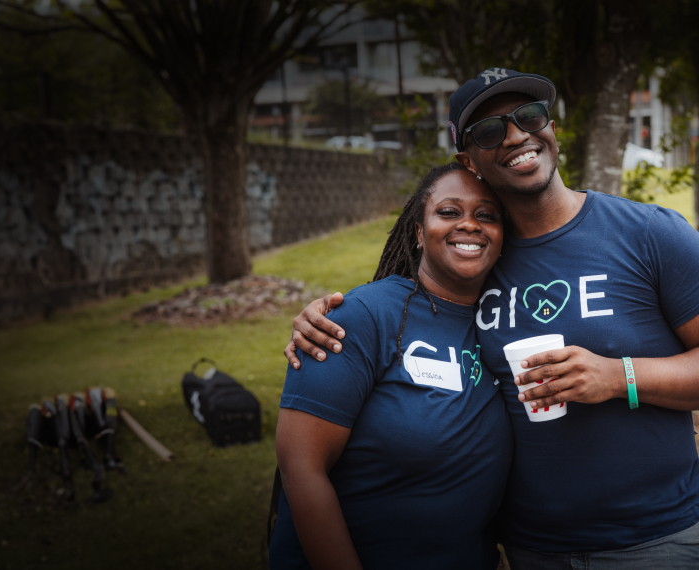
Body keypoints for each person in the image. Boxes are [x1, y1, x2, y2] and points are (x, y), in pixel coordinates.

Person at [285, 68, 699, 569]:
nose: (517, 135)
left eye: (530, 116)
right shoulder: (477, 263)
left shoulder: (652, 234)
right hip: (529, 549)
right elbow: (405, 311)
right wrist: (326, 318)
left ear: (552, 127)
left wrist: (619, 376)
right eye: (489, 130)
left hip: (656, 541)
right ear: (469, 161)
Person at [269, 163, 512, 569]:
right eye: (449, 212)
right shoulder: (361, 317)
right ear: (419, 232)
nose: (469, 224)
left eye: (486, 215)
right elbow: (301, 469)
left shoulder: (503, 321)